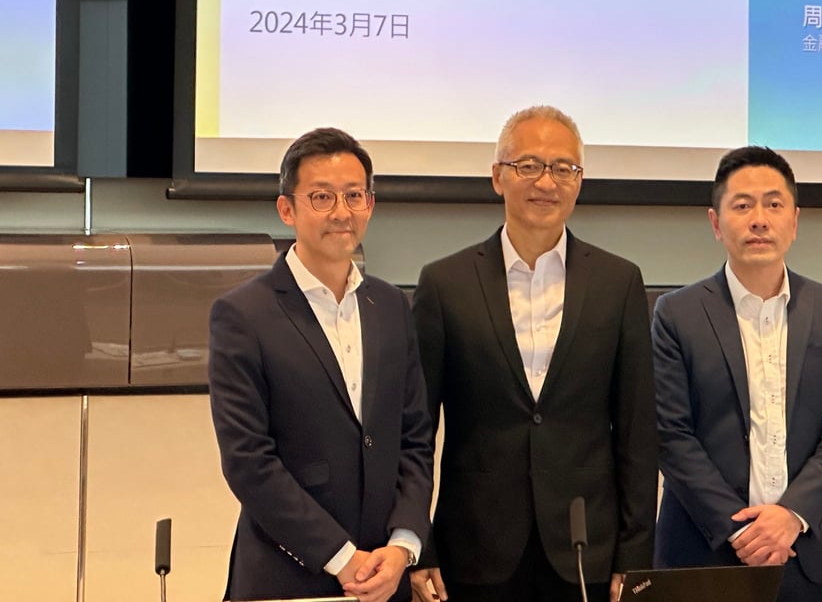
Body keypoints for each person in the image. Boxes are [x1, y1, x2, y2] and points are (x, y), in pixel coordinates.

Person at [410, 105, 658, 602]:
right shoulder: (444, 283)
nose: (547, 181)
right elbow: (415, 431)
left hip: (585, 548)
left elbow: (636, 430)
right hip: (474, 548)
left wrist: (634, 557)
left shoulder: (618, 281)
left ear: (579, 181)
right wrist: (421, 545)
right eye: (529, 166)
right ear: (498, 177)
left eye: (563, 168)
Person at [208, 127, 433, 602]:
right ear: (287, 209)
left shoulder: (391, 306)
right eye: (321, 197)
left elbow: (414, 439)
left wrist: (403, 545)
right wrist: (341, 557)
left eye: (354, 195)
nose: (341, 212)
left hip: (384, 575)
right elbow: (249, 462)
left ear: (370, 204)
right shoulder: (243, 315)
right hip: (286, 578)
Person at [652, 145, 822, 602]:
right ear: (716, 222)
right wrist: (741, 531)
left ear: (795, 219)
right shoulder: (676, 313)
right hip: (704, 553)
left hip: (807, 553)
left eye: (774, 204)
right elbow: (670, 434)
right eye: (742, 205)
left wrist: (791, 515)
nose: (759, 219)